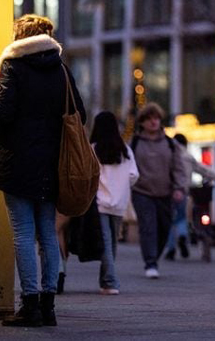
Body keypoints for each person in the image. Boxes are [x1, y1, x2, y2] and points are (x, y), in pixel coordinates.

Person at [0, 14, 86, 327]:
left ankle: (28, 304)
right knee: (47, 230)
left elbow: (2, 114)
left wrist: (5, 140)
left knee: (22, 232)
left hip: (18, 161)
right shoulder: (61, 70)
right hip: (52, 164)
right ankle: (48, 306)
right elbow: (80, 114)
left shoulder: (14, 67)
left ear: (19, 37)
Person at [130, 102, 188, 279]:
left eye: (156, 118)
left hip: (165, 192)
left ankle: (155, 255)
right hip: (142, 192)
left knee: (164, 227)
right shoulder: (134, 143)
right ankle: (150, 262)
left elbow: (178, 167)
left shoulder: (170, 144)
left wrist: (179, 188)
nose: (153, 122)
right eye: (149, 119)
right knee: (148, 227)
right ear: (142, 122)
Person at [92, 111, 139, 295]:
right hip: (120, 203)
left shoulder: (93, 148)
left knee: (105, 241)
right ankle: (106, 280)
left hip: (99, 201)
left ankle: (110, 281)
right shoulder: (125, 150)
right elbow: (134, 175)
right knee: (112, 242)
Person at [164, 133, 215, 261]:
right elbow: (201, 169)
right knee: (181, 217)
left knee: (170, 220)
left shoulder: (168, 155)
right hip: (183, 191)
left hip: (168, 191)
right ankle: (183, 235)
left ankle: (171, 249)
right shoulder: (188, 157)